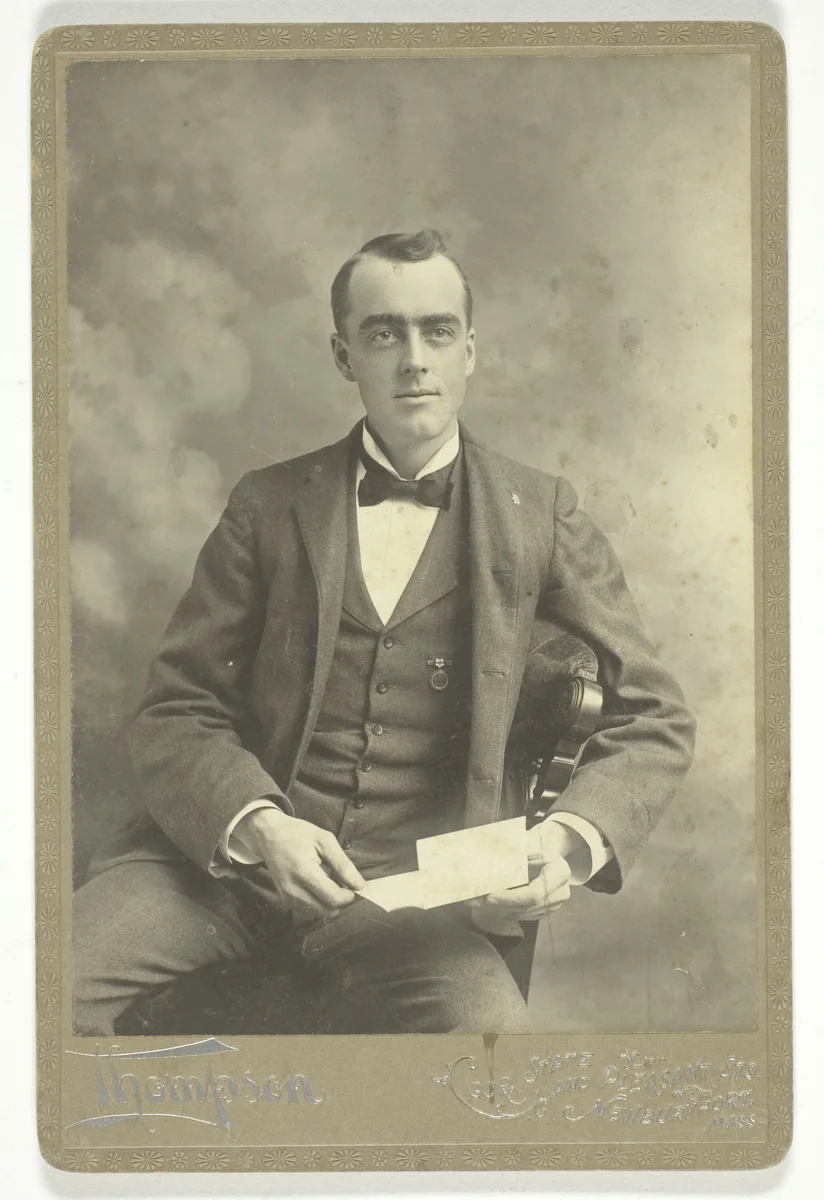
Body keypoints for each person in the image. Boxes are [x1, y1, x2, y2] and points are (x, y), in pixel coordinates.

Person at [73, 229, 696, 1036]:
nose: (414, 359)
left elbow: (655, 716)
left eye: (437, 331)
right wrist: (262, 828)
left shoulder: (540, 514)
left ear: (469, 351)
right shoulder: (266, 506)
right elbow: (176, 709)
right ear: (344, 356)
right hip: (216, 876)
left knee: (509, 1072)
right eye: (383, 332)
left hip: (417, 908)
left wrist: (570, 843)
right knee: (38, 995)